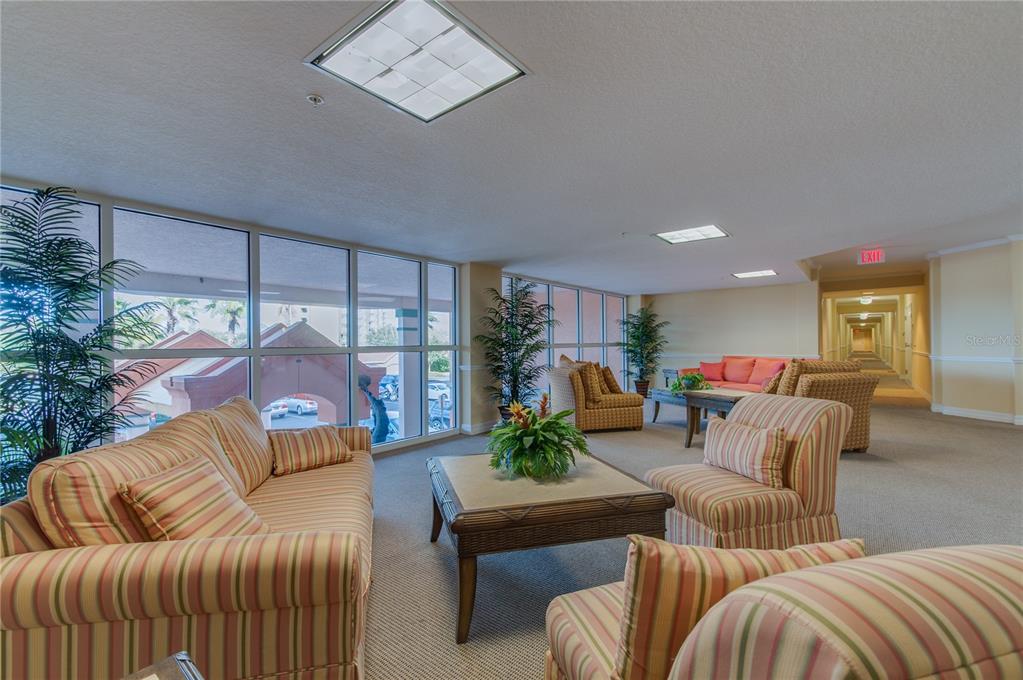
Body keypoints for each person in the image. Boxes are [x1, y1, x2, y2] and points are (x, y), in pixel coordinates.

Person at [358, 374, 391, 444]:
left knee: (381, 421)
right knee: (382, 422)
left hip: (370, 444)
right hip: (372, 445)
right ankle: (365, 389)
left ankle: (365, 389)